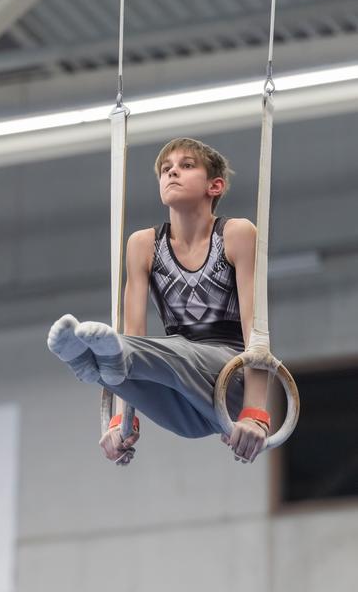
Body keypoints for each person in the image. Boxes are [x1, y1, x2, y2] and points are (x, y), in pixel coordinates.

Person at [47, 138, 270, 466]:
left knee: (154, 349)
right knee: (121, 358)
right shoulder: (143, 244)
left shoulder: (236, 234)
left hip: (229, 379)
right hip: (183, 408)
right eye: (166, 170)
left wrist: (255, 413)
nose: (173, 173)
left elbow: (256, 329)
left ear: (215, 185)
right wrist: (121, 422)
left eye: (187, 166)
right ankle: (88, 367)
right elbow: (132, 335)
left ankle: (98, 363)